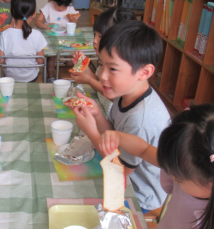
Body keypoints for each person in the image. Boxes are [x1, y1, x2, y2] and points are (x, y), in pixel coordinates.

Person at [71, 20, 168, 213]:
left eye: (112, 69)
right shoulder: (124, 91)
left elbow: (119, 171)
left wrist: (91, 130)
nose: (103, 76)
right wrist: (97, 113)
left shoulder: (141, 120)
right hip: (125, 173)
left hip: (139, 194)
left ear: (145, 72)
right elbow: (113, 135)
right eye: (101, 66)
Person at [99, 104, 214, 229]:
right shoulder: (187, 163)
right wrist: (118, 137)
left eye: (178, 177)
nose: (171, 174)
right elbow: (144, 149)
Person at [71, 7, 136, 117]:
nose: (95, 40)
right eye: (94, 34)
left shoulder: (123, 66)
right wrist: (84, 67)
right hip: (101, 110)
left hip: (109, 117)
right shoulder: (106, 60)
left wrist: (88, 80)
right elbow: (100, 81)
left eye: (100, 36)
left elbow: (114, 96)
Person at [0, 0, 47, 82]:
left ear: (11, 12)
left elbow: (0, 60)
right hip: (31, 78)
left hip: (10, 78)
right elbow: (41, 61)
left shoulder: (5, 34)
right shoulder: (37, 35)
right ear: (34, 14)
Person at [35, 0, 79, 83]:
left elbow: (75, 23)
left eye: (64, 6)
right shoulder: (48, 6)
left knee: (70, 56)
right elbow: (37, 21)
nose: (61, 8)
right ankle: (51, 78)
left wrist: (73, 20)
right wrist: (47, 27)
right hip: (51, 38)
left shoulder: (70, 8)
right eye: (58, 5)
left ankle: (67, 76)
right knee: (51, 57)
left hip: (66, 39)